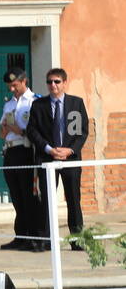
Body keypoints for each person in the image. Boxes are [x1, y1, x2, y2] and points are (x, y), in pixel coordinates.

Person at [27, 68, 89, 250]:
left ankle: (77, 240)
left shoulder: (76, 103)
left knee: (73, 199)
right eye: (49, 82)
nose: (52, 85)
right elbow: (32, 130)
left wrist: (69, 150)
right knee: (46, 199)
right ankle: (45, 241)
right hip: (47, 158)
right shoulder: (39, 105)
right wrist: (48, 149)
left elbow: (82, 131)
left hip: (70, 159)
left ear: (64, 83)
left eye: (56, 81)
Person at [0, 70, 39, 251]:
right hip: (10, 151)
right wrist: (7, 129)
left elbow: (29, 131)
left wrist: (14, 128)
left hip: (25, 150)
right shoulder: (9, 104)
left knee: (27, 196)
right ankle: (20, 235)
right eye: (10, 86)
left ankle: (32, 236)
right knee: (16, 196)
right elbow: (2, 132)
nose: (12, 89)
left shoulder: (34, 101)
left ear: (24, 81)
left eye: (15, 85)